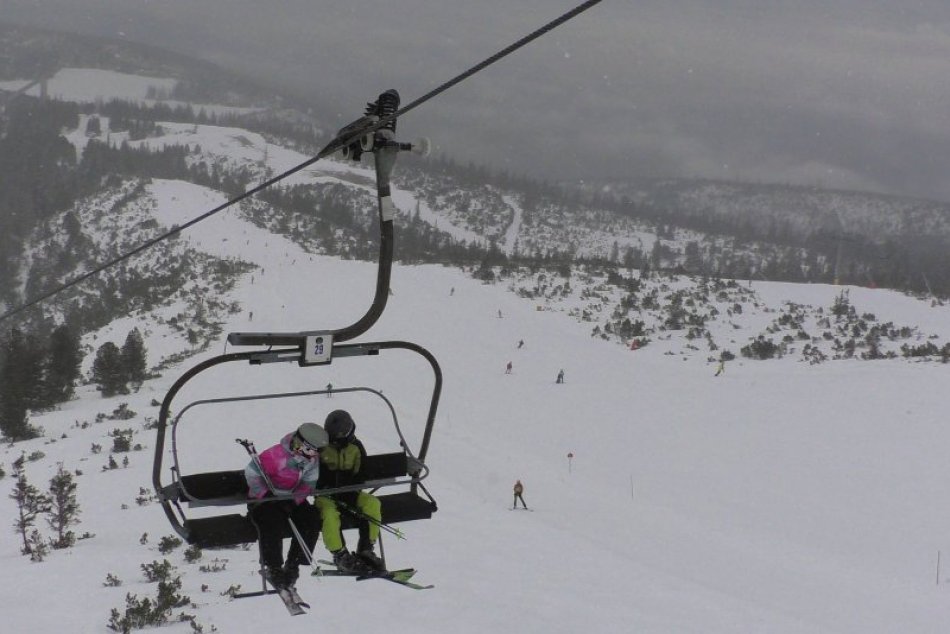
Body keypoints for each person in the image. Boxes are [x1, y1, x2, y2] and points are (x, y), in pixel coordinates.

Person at [245, 423, 327, 590]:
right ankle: (273, 567)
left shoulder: (311, 461)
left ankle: (293, 564)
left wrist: (293, 501)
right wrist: (265, 495)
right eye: (310, 450)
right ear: (301, 444)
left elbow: (308, 483)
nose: (312, 455)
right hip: (264, 500)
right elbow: (252, 474)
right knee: (271, 521)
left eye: (315, 452)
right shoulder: (276, 455)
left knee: (311, 518)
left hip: (290, 498)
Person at [314, 410, 385, 573]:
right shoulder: (321, 448)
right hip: (326, 496)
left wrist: (351, 484)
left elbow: (362, 472)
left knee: (372, 503)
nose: (335, 442)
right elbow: (313, 472)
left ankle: (366, 547)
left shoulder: (355, 447)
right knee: (329, 514)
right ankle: (339, 553)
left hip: (350, 493)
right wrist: (326, 483)